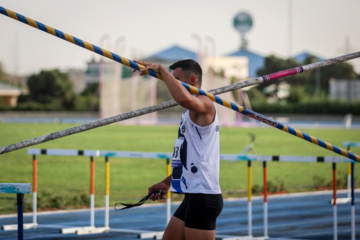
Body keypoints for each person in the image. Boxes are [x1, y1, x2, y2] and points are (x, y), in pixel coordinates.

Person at [136, 59, 223, 240]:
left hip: (203, 196)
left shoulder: (205, 104)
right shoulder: (188, 113)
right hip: (192, 194)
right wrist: (168, 182)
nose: (170, 83)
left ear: (192, 80)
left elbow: (183, 99)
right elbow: (187, 156)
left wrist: (161, 69)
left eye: (176, 79)